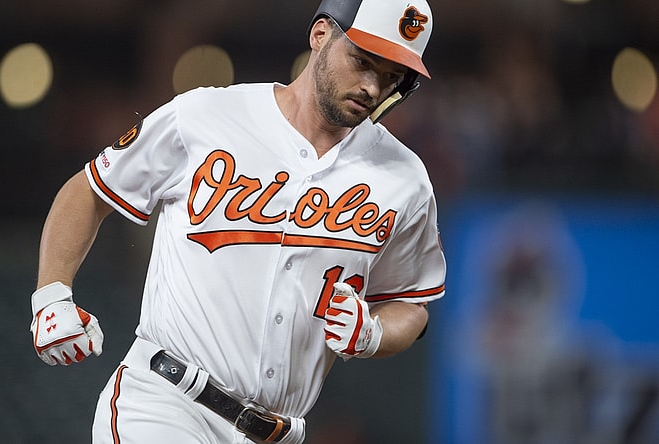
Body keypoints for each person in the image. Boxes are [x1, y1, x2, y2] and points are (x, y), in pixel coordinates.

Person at [29, 0, 446, 442]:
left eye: (390, 76)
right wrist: (51, 294)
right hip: (167, 404)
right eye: (362, 61)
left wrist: (373, 333)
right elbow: (90, 189)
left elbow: (411, 304)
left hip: (278, 432)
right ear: (320, 35)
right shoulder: (208, 116)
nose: (371, 86)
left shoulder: (404, 178)